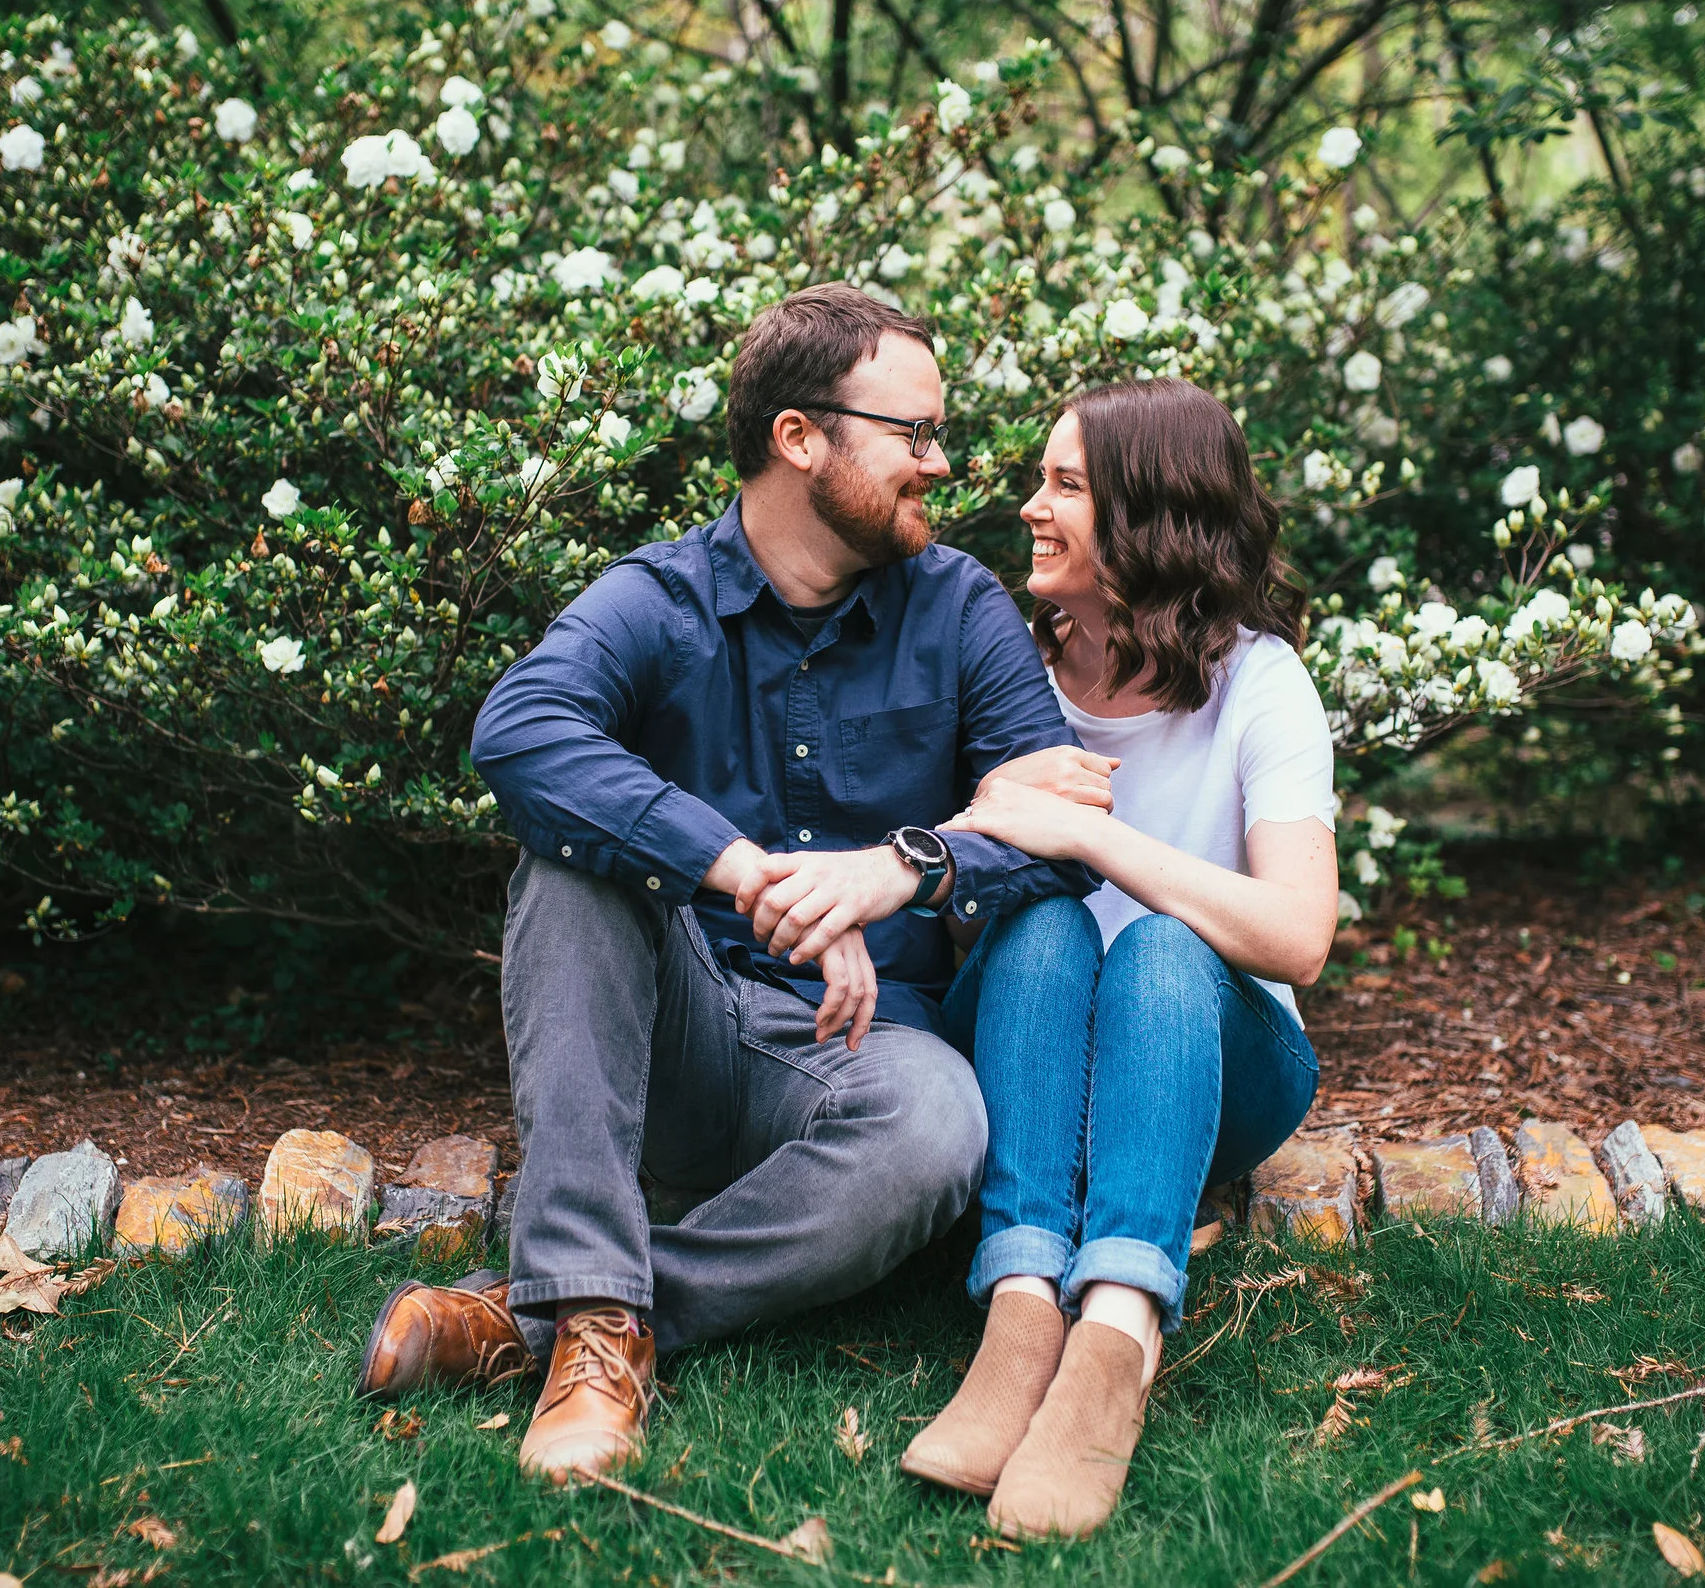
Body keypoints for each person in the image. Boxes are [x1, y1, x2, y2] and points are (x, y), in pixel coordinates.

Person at [353, 284, 1099, 1485]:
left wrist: (893, 870)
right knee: (570, 858)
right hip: (680, 1042)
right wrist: (740, 868)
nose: (939, 463)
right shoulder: (660, 599)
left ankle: (554, 1319)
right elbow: (519, 730)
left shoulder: (958, 606)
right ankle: (594, 1318)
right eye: (913, 434)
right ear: (800, 437)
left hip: (862, 1060)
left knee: (940, 1129)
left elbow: (1060, 827)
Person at [897, 377, 1339, 1539]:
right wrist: (980, 829)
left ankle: (1119, 1331)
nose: (1029, 506)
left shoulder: (1261, 684)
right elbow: (947, 920)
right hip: (1033, 1056)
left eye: (1067, 486)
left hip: (1209, 1058)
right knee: (1037, 928)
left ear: (1151, 517)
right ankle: (1023, 1307)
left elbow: (1298, 934)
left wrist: (1093, 833)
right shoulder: (1001, 665)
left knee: (1156, 946)